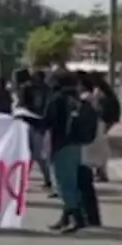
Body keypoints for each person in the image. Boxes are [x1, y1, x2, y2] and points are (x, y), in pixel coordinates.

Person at [43, 70, 86, 232]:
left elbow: (47, 121)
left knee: (64, 184)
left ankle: (77, 219)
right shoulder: (75, 98)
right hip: (75, 144)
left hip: (60, 144)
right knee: (71, 181)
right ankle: (66, 218)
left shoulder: (56, 99)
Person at [13, 68, 53, 193]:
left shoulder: (25, 88)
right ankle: (44, 179)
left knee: (31, 153)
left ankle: (24, 180)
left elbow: (22, 106)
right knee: (36, 154)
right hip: (41, 124)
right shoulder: (47, 89)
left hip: (27, 123)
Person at [76, 72, 107, 227]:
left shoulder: (85, 99)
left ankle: (89, 217)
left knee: (84, 180)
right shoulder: (94, 98)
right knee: (85, 180)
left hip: (87, 142)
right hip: (93, 139)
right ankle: (89, 216)